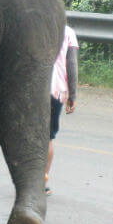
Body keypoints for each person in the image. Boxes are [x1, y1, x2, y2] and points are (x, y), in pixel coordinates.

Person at [45, 24, 79, 195]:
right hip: (55, 90)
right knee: (48, 136)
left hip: (33, 88)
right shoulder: (68, 32)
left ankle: (28, 179)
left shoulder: (39, 26)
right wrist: (73, 94)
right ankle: (42, 180)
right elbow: (71, 64)